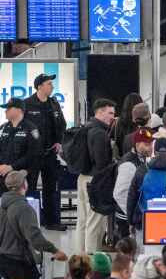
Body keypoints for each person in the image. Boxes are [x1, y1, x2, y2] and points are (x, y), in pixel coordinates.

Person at [0, 170, 67, 279]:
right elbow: (35, 239)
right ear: (24, 185)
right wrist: (55, 251)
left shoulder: (2, 205)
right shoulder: (24, 208)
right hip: (20, 262)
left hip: (4, 260)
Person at [23, 72, 67, 231]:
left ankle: (51, 221)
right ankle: (29, 222)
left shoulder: (54, 103)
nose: (52, 86)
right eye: (49, 83)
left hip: (49, 153)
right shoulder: (26, 104)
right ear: (40, 86)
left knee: (51, 188)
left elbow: (62, 125)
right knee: (30, 188)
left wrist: (59, 142)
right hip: (32, 155)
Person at [75, 98, 116, 255]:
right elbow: (101, 162)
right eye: (110, 112)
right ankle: (92, 262)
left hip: (82, 178)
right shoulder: (99, 133)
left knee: (83, 221)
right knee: (95, 223)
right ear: (100, 112)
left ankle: (80, 257)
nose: (113, 116)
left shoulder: (86, 128)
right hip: (96, 181)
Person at [126, 137, 166, 242]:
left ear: (154, 151)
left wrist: (131, 221)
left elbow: (132, 196)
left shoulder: (143, 170)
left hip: (144, 219)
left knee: (144, 255)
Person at [0, 98, 42, 194]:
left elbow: (34, 155)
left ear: (19, 110)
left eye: (9, 108)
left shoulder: (31, 129)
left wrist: (12, 167)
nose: (5, 111)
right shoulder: (3, 128)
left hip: (22, 178)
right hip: (3, 176)